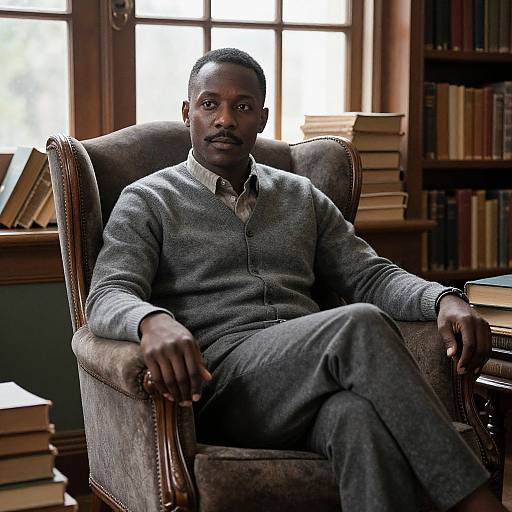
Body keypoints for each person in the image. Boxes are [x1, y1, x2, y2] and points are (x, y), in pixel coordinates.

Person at [85, 48, 505, 512]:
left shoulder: (300, 195)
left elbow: (369, 275)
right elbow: (107, 293)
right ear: (188, 113)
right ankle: (475, 501)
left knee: (357, 419)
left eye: (242, 106)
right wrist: (150, 321)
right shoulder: (147, 200)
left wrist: (442, 299)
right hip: (221, 387)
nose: (225, 119)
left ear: (261, 118)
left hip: (306, 380)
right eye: (210, 104)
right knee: (358, 324)